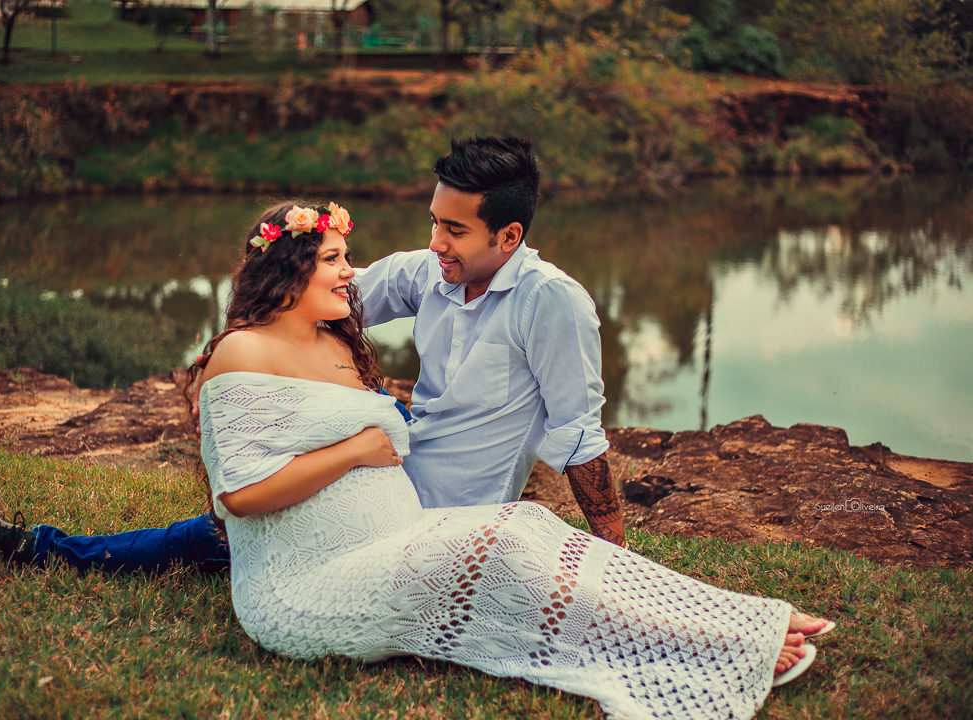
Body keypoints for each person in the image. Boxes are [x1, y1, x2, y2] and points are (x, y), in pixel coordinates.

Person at [195, 200, 829, 720]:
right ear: (287, 269)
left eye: (347, 258)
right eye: (333, 260)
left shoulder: (338, 340)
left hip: (392, 536)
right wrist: (355, 451)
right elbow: (239, 498)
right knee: (499, 548)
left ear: (508, 234)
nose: (351, 274)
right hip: (308, 586)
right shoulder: (245, 353)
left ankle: (736, 617)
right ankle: (717, 643)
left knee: (528, 526)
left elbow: (576, 428)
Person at [0, 136, 625, 573]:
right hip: (401, 443)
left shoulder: (551, 304)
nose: (436, 243)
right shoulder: (433, 274)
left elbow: (579, 438)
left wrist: (615, 562)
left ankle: (39, 550)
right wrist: (254, 343)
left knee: (223, 532)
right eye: (432, 223)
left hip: (440, 505)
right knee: (302, 439)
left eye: (455, 230)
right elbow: (330, 297)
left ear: (508, 235)